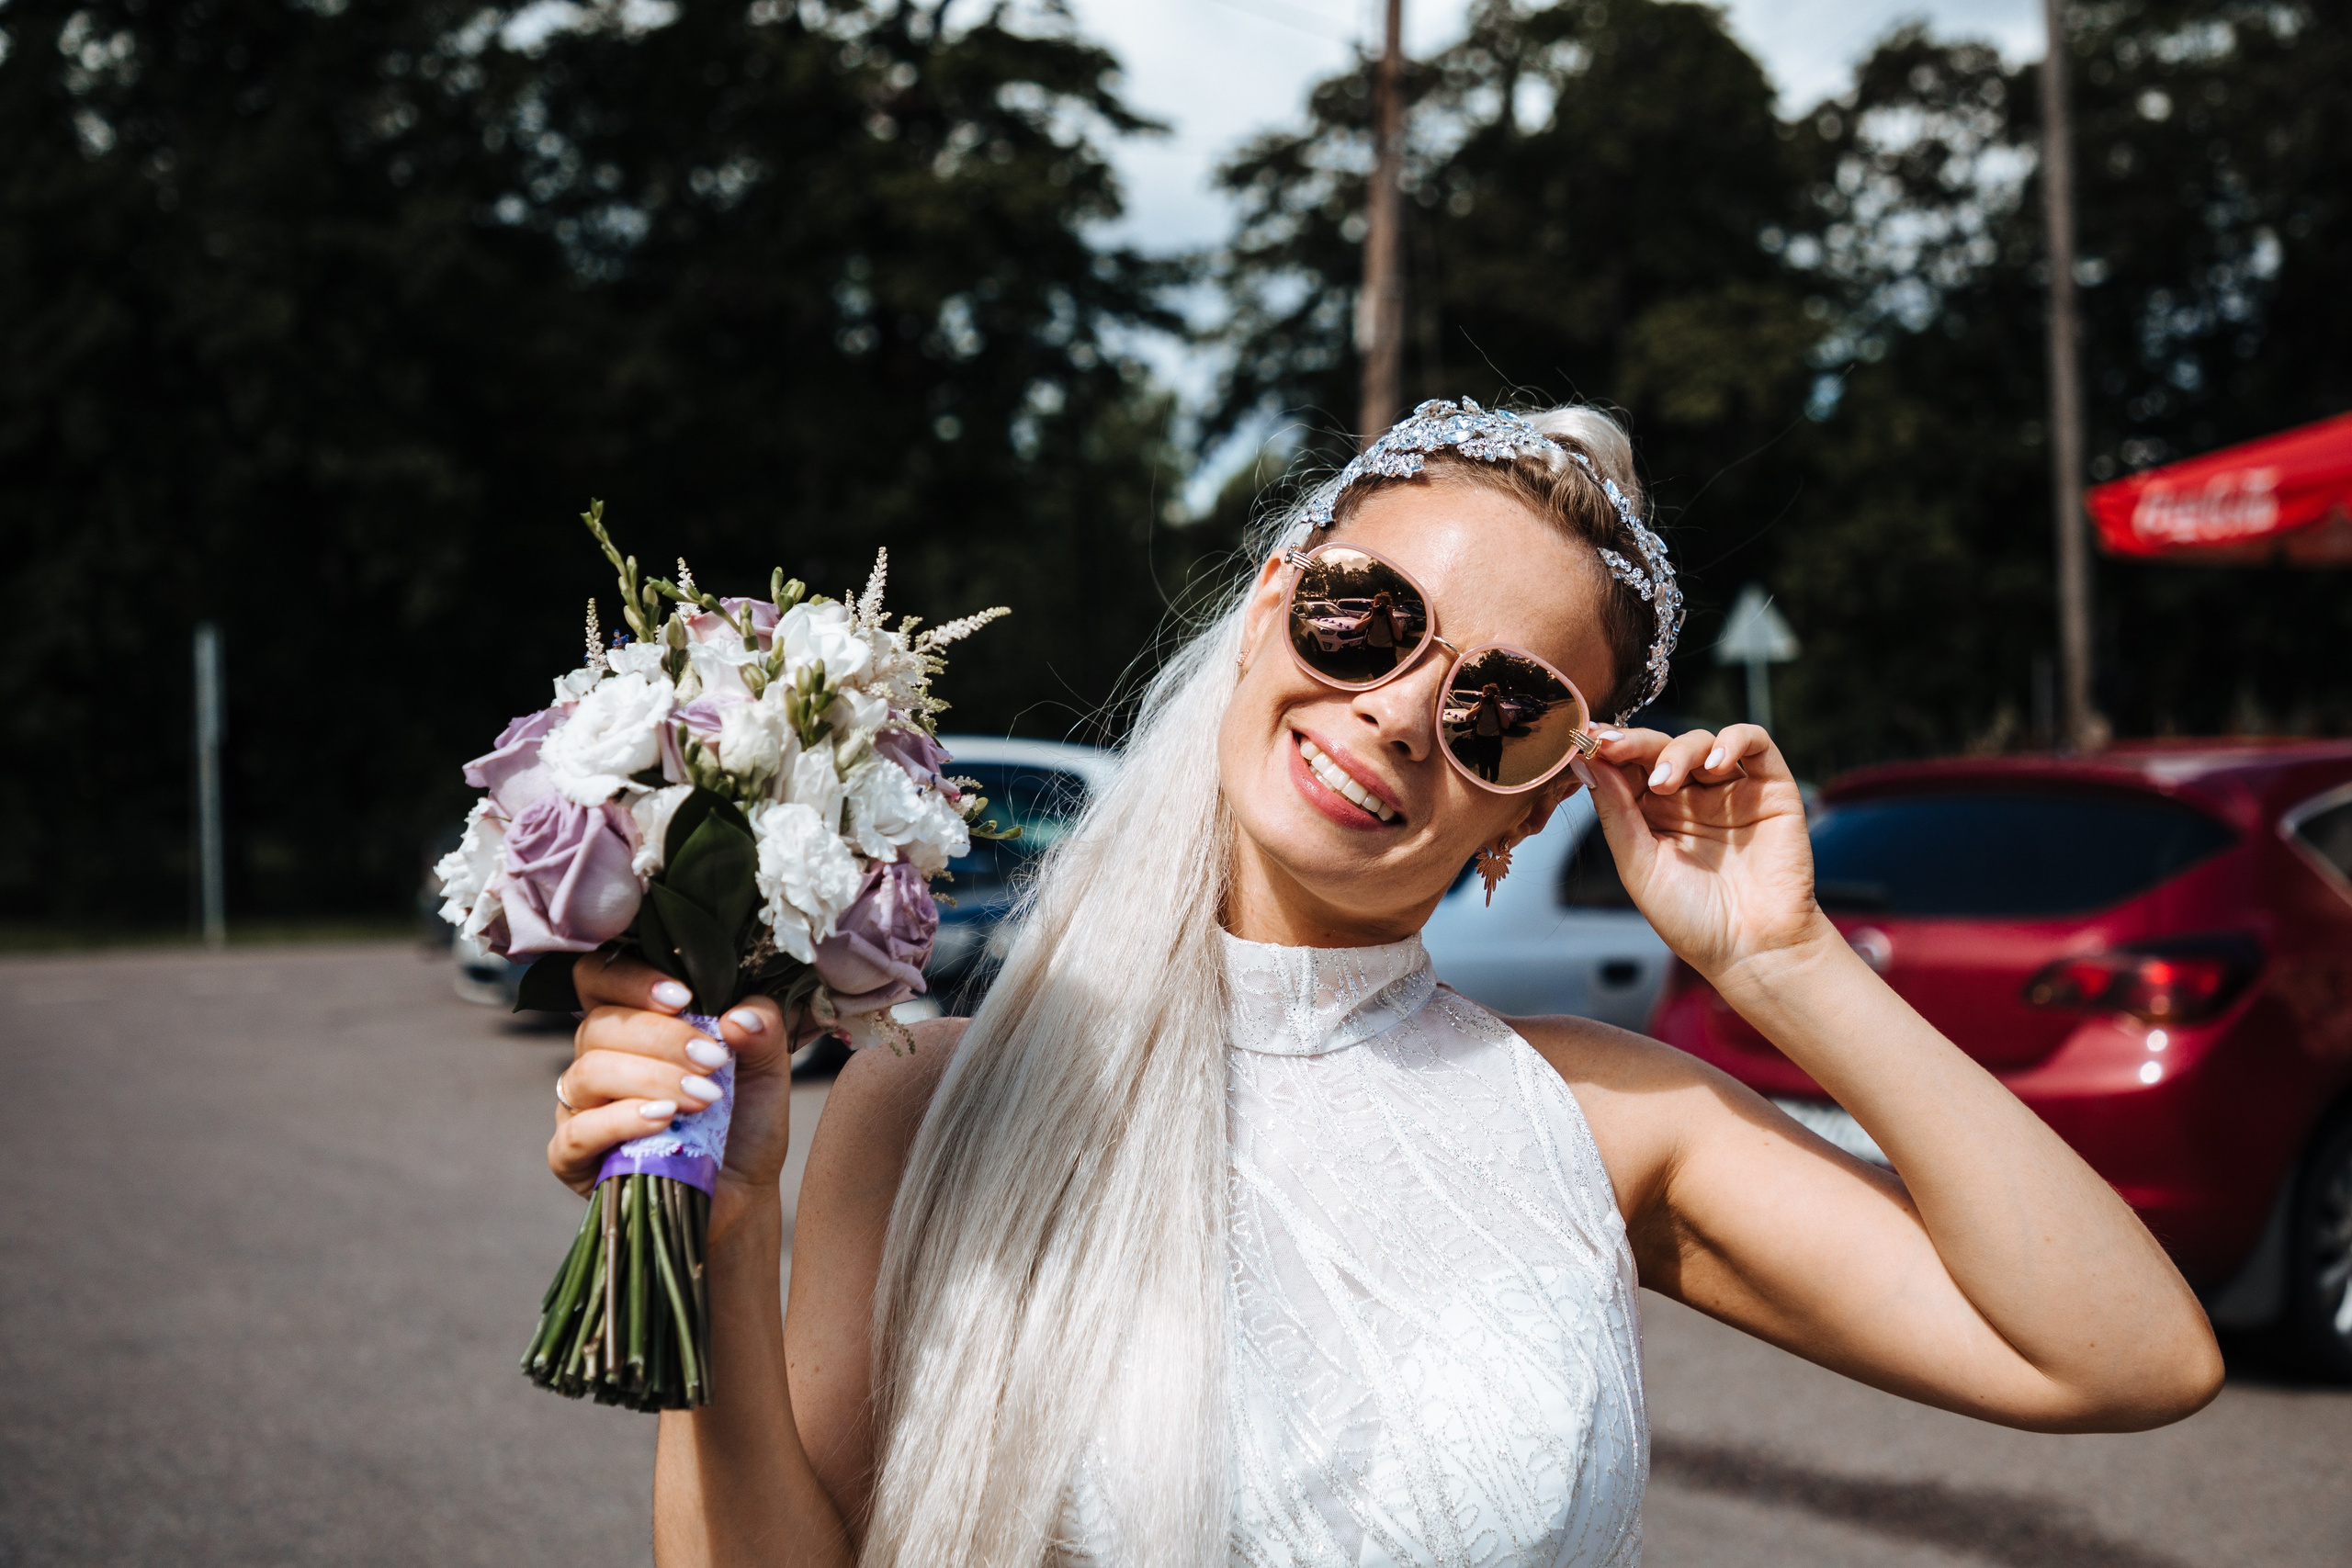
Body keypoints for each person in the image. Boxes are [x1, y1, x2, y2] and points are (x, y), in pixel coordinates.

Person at [545, 400, 2222, 1568]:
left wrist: (1783, 963)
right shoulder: (933, 1096)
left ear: (1531, 810)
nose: (1405, 711)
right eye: (1369, 616)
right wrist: (727, 1234)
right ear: (1272, 607)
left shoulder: (1604, 1122)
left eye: (1505, 708)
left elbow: (2126, 1358)